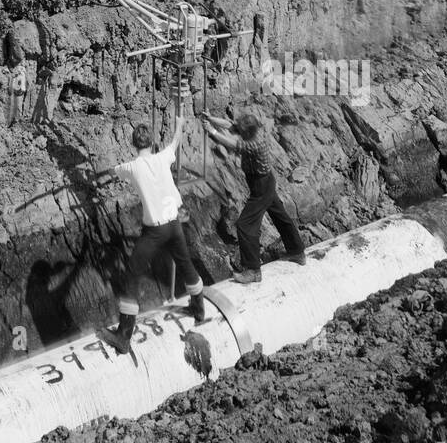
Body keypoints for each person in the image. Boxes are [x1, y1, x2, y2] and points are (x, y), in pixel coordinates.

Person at [100, 115, 205, 355]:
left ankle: (124, 336)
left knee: (132, 276)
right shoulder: (162, 157)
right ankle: (198, 309)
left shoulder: (132, 167)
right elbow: (175, 142)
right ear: (151, 142)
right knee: (186, 263)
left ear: (133, 145)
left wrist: (99, 173)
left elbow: (112, 171)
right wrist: (179, 124)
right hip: (175, 224)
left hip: (155, 231)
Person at [201, 110, 306, 283]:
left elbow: (233, 145)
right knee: (280, 216)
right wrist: (211, 118)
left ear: (247, 132)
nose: (237, 129)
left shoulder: (254, 143)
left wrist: (211, 131)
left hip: (261, 186)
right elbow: (230, 125)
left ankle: (253, 270)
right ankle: (297, 251)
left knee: (245, 224)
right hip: (264, 181)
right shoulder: (252, 131)